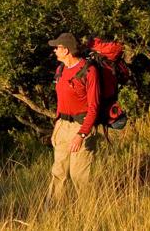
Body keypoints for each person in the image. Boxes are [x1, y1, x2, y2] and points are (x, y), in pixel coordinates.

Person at [45, 32, 102, 203]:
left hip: (81, 127)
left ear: (67, 50)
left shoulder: (89, 71)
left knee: (80, 175)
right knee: (58, 172)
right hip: (62, 125)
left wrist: (82, 134)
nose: (55, 50)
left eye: (58, 47)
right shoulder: (60, 69)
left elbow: (94, 107)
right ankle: (52, 211)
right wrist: (57, 124)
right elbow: (61, 100)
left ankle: (88, 212)